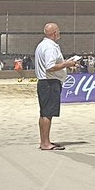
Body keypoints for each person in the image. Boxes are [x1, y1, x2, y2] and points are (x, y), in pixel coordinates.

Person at [34, 23, 79, 151]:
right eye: (58, 31)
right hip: (50, 82)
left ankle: (44, 141)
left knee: (44, 113)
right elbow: (50, 66)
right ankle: (46, 144)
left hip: (44, 82)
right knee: (48, 113)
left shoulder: (42, 45)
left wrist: (65, 63)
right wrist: (67, 63)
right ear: (54, 33)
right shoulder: (50, 47)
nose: (59, 33)